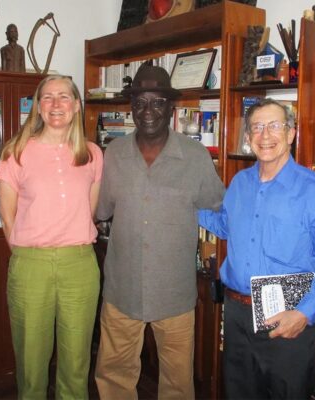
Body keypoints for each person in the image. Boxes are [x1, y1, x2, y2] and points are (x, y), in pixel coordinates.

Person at [199, 98, 315, 399]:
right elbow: (226, 226)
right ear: (248, 136)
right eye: (257, 127)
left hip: (287, 317)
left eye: (274, 126)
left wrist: (304, 313)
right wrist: (182, 207)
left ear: (291, 134)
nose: (265, 135)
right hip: (237, 315)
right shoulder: (239, 183)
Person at [95, 63, 225, 399]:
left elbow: (217, 205)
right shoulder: (113, 153)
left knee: (178, 384)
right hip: (122, 290)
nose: (147, 111)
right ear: (131, 108)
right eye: (139, 103)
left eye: (156, 103)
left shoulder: (195, 157)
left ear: (171, 108)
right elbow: (101, 211)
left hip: (175, 294)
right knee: (113, 377)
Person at [0, 75, 103, 399]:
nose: (57, 104)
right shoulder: (15, 152)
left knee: (77, 360)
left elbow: (90, 210)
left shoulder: (93, 154)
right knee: (31, 360)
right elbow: (7, 217)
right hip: (31, 265)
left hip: (80, 264)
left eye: (64, 97)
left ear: (77, 106)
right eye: (48, 98)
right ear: (38, 108)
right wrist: (32, 252)